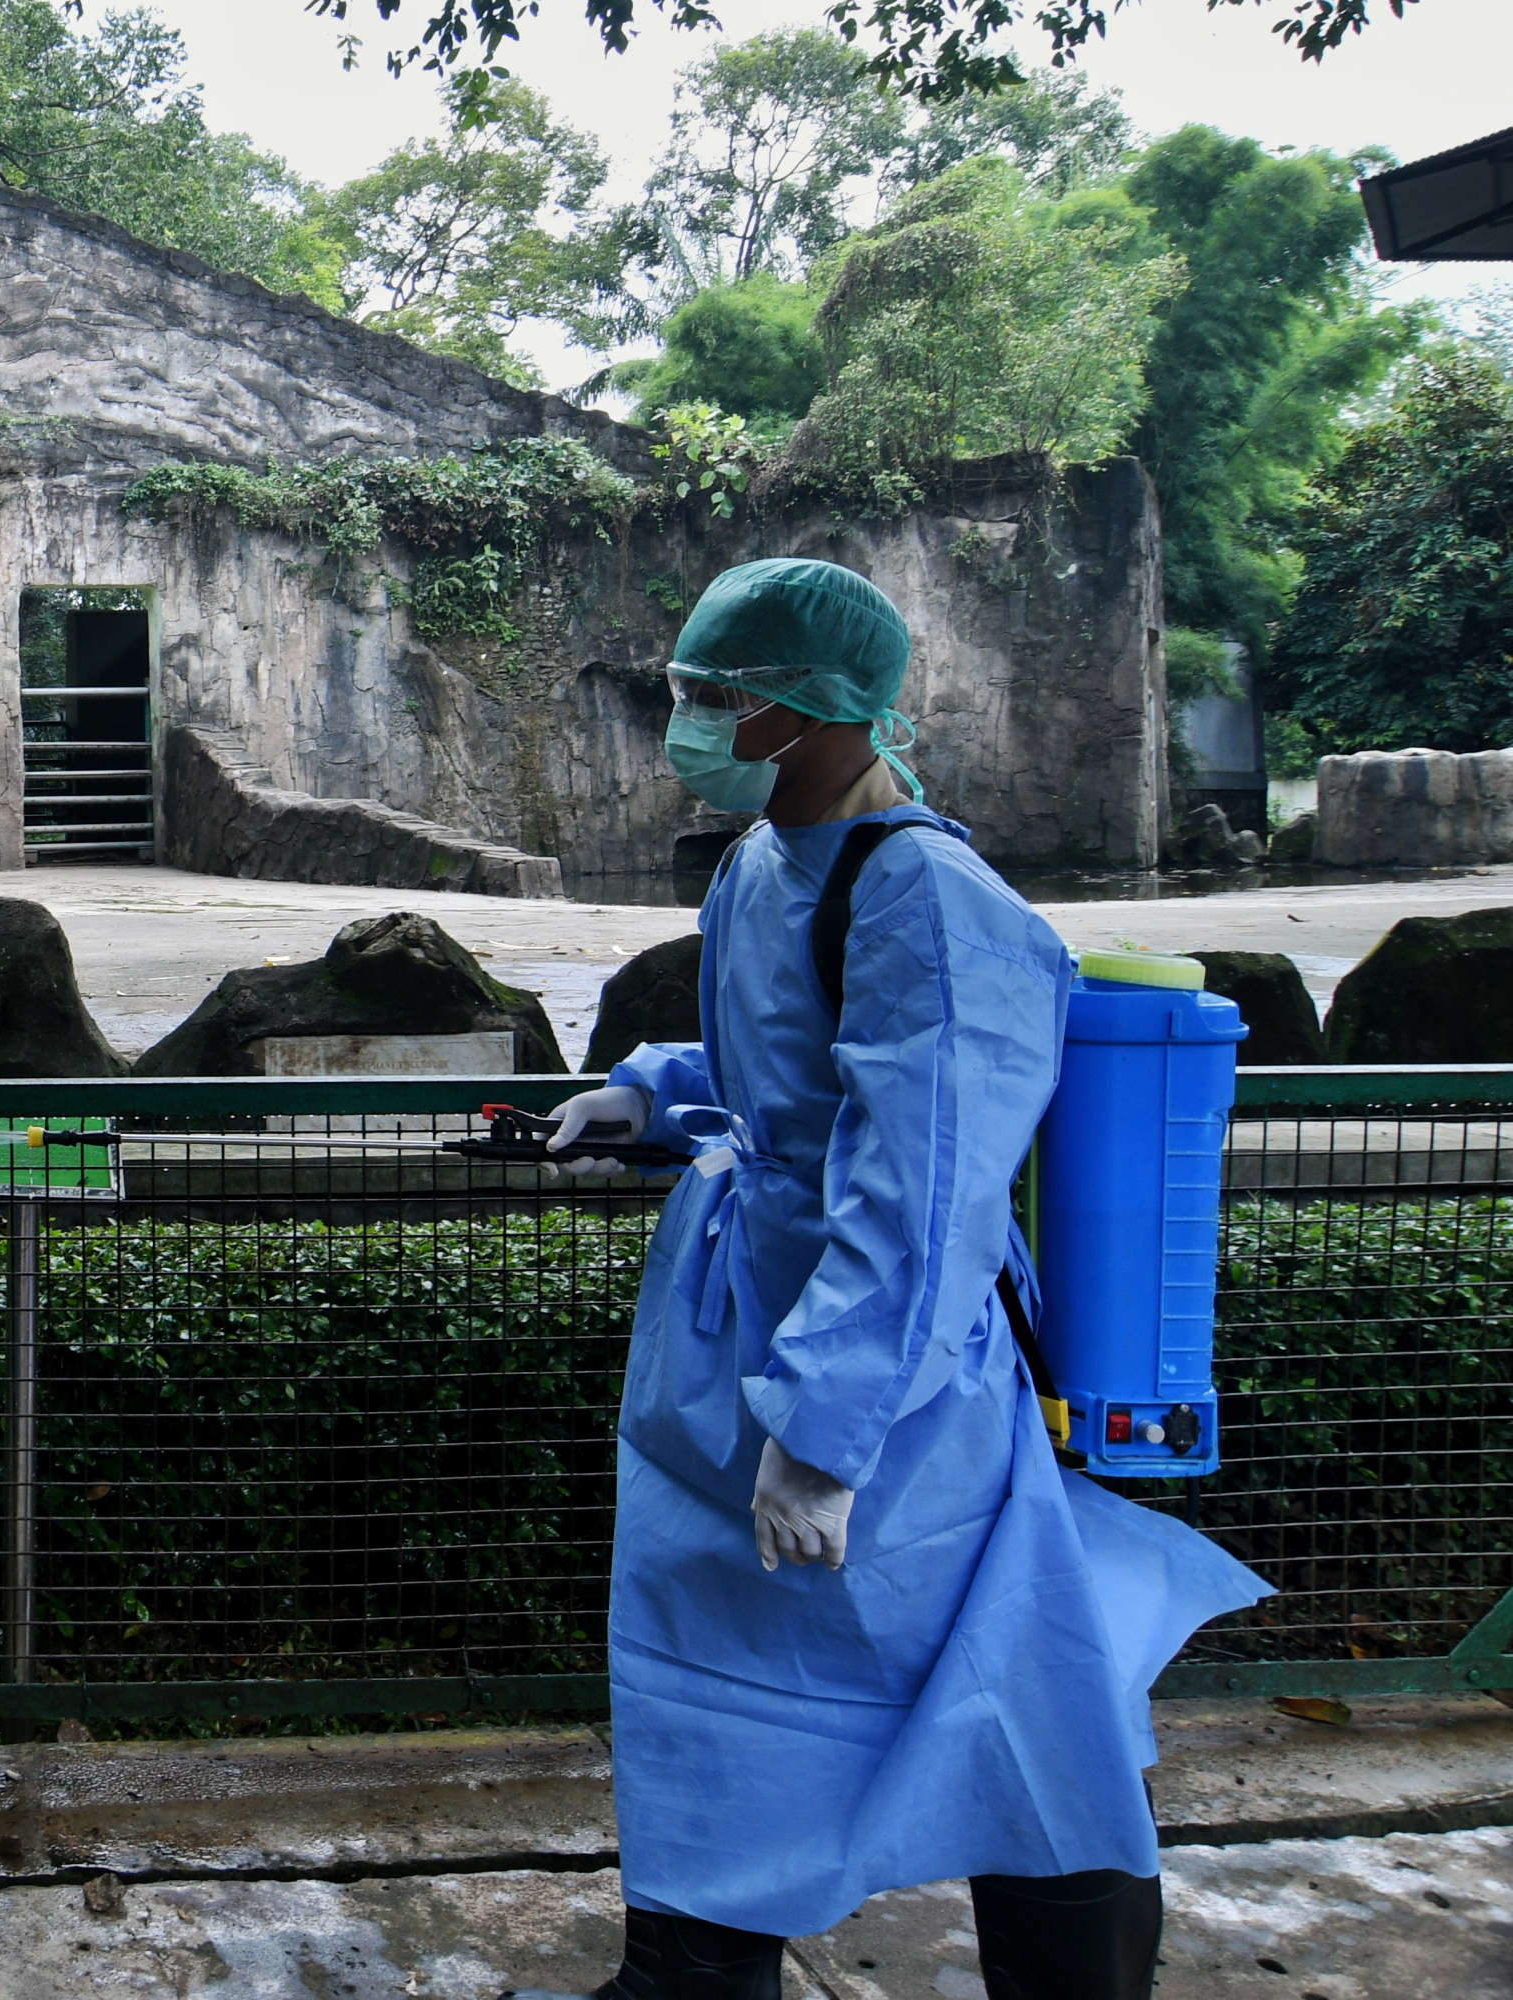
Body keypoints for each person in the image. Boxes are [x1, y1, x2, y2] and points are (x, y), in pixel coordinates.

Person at [512, 559, 1267, 2000]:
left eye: (717, 693)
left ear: (811, 709)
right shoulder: (763, 860)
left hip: (896, 1396)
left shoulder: (928, 896)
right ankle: (690, 1973)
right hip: (741, 1347)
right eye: (689, 688)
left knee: (1013, 1687)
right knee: (722, 1690)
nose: (691, 717)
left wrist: (827, 1429)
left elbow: (924, 1182)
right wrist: (650, 1093)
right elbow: (784, 1073)